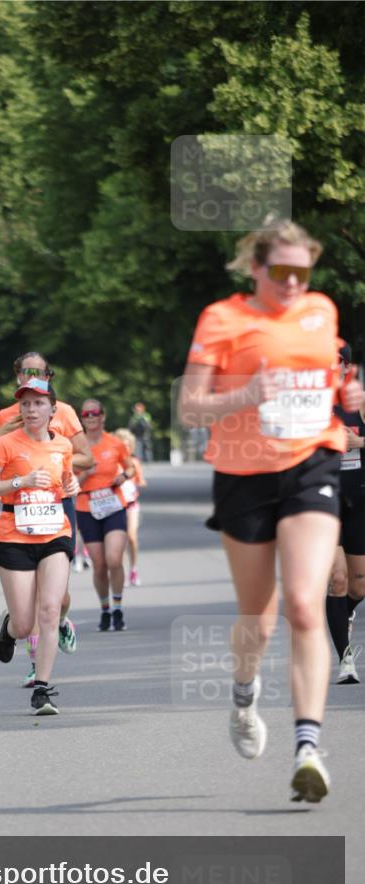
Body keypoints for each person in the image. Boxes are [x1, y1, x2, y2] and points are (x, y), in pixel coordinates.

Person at [179, 218, 364, 804]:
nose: (291, 283)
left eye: (302, 272)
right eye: (280, 272)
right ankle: (243, 689)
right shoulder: (223, 319)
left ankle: (307, 747)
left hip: (312, 463)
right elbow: (190, 409)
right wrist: (245, 395)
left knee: (308, 603)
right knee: (259, 621)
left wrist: (347, 397)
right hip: (242, 473)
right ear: (256, 268)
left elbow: (329, 383)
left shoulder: (321, 312)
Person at [0, 378, 80, 715]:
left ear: (53, 409)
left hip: (54, 534)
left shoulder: (63, 445)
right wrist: (20, 481)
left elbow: (62, 485)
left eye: (38, 403)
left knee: (50, 610)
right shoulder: (6, 444)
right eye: (26, 404)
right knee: (24, 624)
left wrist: (72, 485)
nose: (31, 409)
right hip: (14, 536)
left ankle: (42, 689)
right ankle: (8, 629)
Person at [0, 351, 93, 686]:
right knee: (30, 605)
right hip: (20, 507)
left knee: (57, 597)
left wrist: (61, 472)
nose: (34, 376)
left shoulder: (63, 410)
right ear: (17, 375)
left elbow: (85, 456)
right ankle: (37, 665)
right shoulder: (7, 415)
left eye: (41, 371)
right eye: (27, 371)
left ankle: (60, 620)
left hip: (56, 502)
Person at [77, 399, 135, 632]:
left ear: (103, 417)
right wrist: (86, 474)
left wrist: (124, 477)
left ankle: (118, 607)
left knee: (114, 559)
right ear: (82, 419)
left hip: (113, 503)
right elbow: (67, 482)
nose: (91, 417)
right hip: (86, 506)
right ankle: (104, 609)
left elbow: (130, 467)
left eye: (95, 413)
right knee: (99, 564)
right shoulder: (76, 447)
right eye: (86, 414)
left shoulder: (116, 443)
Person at [326, 343, 365, 683]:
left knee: (359, 584)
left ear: (345, 365)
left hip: (360, 499)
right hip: (323, 502)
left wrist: (357, 444)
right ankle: (346, 660)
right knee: (337, 580)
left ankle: (346, 612)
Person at [114, 427, 146, 586]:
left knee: (131, 537)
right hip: (115, 506)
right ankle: (122, 572)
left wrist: (137, 483)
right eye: (121, 445)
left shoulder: (134, 462)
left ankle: (134, 569)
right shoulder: (111, 462)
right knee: (120, 540)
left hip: (131, 505)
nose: (124, 448)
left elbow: (141, 481)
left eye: (127, 445)